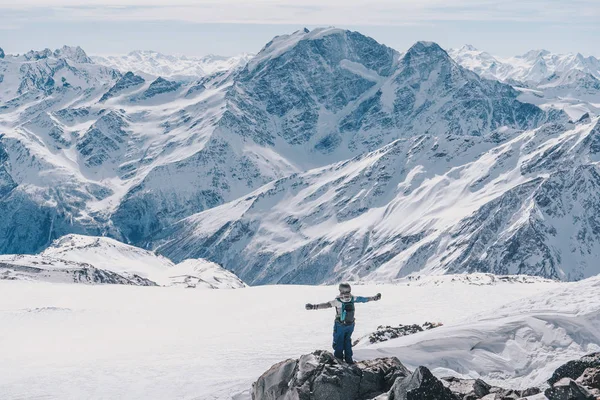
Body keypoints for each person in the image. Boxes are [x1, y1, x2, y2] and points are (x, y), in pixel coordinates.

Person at [305, 282, 381, 364]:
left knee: (339, 342)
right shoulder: (353, 298)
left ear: (340, 290)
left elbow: (326, 305)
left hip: (340, 325)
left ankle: (339, 361)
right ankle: (349, 360)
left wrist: (313, 307)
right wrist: (374, 298)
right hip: (351, 324)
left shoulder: (338, 301)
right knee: (347, 341)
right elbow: (364, 299)